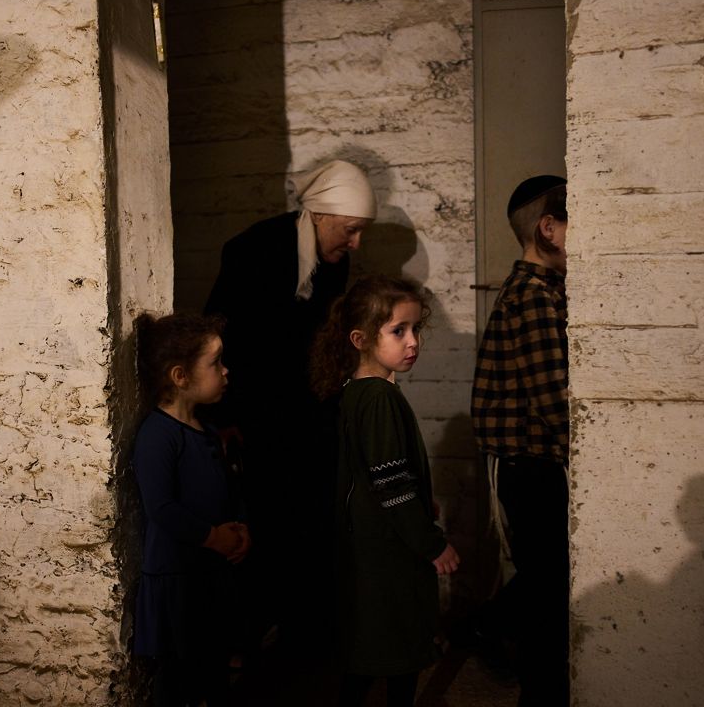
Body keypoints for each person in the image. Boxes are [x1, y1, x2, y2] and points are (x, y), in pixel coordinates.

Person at [204, 159, 377, 649]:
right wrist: (224, 417)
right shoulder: (254, 250)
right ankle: (265, 630)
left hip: (308, 409)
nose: (356, 244)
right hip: (257, 413)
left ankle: (309, 630)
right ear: (320, 215)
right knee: (270, 518)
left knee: (315, 515)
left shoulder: (332, 263)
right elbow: (224, 335)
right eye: (351, 230)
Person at [310, 275, 461, 707]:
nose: (412, 342)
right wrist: (432, 544)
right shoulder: (377, 397)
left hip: (374, 540)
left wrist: (418, 498)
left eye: (416, 329)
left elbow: (378, 473)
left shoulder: (359, 391)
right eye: (399, 331)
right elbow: (391, 485)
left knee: (374, 647)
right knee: (399, 646)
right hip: (388, 549)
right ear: (360, 339)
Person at [471, 175, 571, 706]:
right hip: (528, 465)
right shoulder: (532, 296)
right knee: (548, 588)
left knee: (544, 578)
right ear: (548, 228)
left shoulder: (541, 291)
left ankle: (488, 626)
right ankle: (542, 691)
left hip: (529, 463)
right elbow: (553, 398)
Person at [131, 312, 252, 707]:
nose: (225, 370)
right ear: (180, 376)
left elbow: (222, 489)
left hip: (208, 572)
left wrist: (237, 528)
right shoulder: (158, 435)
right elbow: (162, 507)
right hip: (177, 576)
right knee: (178, 677)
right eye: (215, 363)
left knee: (212, 667)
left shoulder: (208, 430)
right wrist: (214, 536)